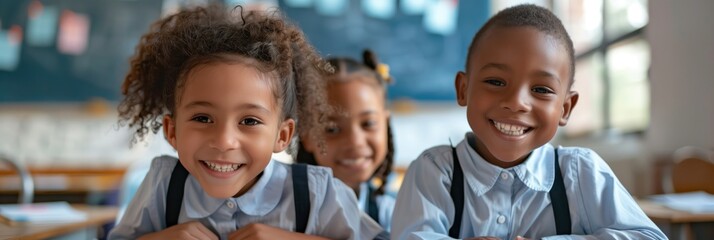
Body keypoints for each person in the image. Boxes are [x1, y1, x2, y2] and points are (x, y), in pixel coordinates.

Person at [390, 4, 667, 240]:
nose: (517, 102)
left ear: (565, 108)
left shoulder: (580, 173)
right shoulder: (436, 171)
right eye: (496, 82)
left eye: (542, 89)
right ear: (463, 89)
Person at [109, 5, 383, 240]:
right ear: (172, 130)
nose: (224, 141)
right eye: (203, 118)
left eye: (249, 120)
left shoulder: (317, 193)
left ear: (282, 135)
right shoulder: (164, 185)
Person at [296, 50, 396, 231]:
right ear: (305, 134)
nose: (355, 141)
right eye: (332, 129)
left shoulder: (392, 213)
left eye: (368, 123)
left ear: (385, 124)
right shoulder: (281, 210)